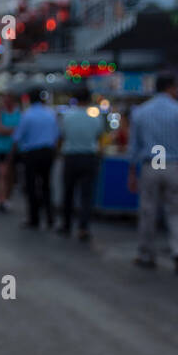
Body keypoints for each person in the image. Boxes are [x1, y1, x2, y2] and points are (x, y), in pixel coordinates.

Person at [128, 73, 178, 275]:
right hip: (174, 166)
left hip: (152, 165)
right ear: (171, 87)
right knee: (177, 211)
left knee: (148, 211)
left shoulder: (141, 112)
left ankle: (146, 254)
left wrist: (132, 172)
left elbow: (134, 146)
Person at [58, 87, 105, 240]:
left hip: (70, 158)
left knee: (68, 193)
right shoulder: (95, 118)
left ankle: (66, 225)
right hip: (88, 158)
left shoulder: (67, 117)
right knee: (86, 195)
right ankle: (83, 228)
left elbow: (62, 136)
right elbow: (99, 138)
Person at [13, 88, 60, 229]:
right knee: (46, 184)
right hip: (47, 152)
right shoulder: (50, 114)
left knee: (31, 186)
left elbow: (17, 137)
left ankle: (34, 218)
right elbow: (57, 135)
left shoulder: (27, 115)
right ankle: (50, 217)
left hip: (31, 154)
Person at [0, 94, 21, 211]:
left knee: (11, 176)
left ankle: (6, 197)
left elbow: (20, 129)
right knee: (3, 174)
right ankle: (2, 198)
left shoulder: (18, 112)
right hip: (2, 148)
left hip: (15, 148)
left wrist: (8, 130)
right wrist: (13, 130)